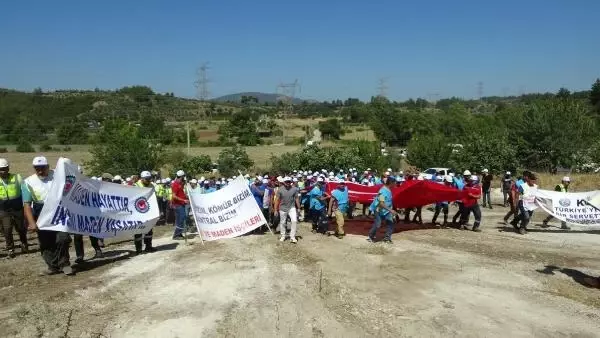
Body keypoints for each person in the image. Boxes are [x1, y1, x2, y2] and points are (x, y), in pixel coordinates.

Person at [24, 156, 74, 276]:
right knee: (46, 241)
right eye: (37, 169)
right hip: (41, 213)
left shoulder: (58, 175)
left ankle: (65, 264)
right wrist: (31, 222)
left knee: (63, 238)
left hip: (59, 211)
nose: (40, 171)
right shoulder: (28, 182)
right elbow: (26, 204)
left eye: (42, 168)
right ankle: (52, 266)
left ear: (48, 166)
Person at [0, 158, 29, 258]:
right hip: (3, 210)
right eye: (0, 169)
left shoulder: (17, 177)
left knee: (20, 228)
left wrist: (26, 205)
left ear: (8, 168)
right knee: (7, 229)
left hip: (17, 208)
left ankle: (24, 243)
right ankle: (10, 249)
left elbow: (25, 191)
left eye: (4, 168)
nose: (2, 171)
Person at [367, 176, 398, 243]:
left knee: (390, 223)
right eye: (394, 183)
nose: (395, 184)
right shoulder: (382, 191)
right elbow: (381, 203)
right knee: (378, 224)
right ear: (390, 183)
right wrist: (391, 210)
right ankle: (371, 236)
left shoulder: (389, 190)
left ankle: (387, 238)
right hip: (379, 210)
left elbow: (388, 201)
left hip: (386, 210)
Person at [134, 171, 157, 253]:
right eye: (147, 179)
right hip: (138, 211)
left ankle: (148, 246)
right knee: (138, 230)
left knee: (149, 229)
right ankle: (138, 248)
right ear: (142, 179)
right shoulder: (136, 185)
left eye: (149, 179)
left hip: (148, 211)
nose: (149, 180)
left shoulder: (151, 186)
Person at [275, 177, 300, 243]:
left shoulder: (294, 189)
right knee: (282, 222)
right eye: (286, 182)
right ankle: (283, 236)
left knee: (294, 221)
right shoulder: (280, 189)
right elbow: (277, 200)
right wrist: (275, 210)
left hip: (292, 207)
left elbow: (297, 198)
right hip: (282, 208)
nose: (288, 183)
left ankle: (292, 237)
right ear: (284, 182)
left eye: (289, 181)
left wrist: (299, 208)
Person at [171, 170, 189, 240]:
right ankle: (177, 234)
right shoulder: (175, 184)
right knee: (182, 217)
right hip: (177, 205)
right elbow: (174, 196)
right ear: (181, 176)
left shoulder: (180, 184)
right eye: (183, 176)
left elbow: (181, 194)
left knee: (180, 219)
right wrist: (183, 200)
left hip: (181, 204)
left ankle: (179, 234)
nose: (184, 178)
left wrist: (186, 197)